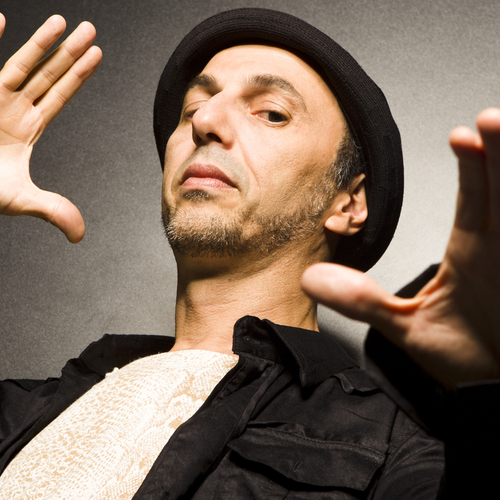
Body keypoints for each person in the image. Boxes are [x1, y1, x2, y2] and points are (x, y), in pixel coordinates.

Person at [0, 7, 498, 499]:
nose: (206, 121)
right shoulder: (21, 408)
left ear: (347, 203)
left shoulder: (398, 446)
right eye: (192, 110)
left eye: (272, 113)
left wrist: (484, 394)